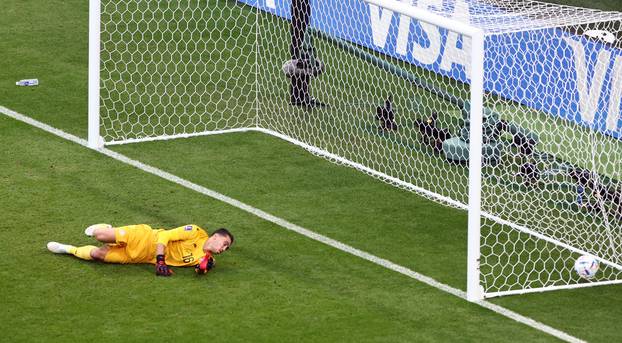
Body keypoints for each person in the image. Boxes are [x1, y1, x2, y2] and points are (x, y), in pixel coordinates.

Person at [47, 223, 234, 276]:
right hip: (144, 236)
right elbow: (165, 236)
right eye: (224, 243)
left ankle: (67, 249)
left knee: (98, 254)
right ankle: (104, 228)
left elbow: (203, 266)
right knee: (99, 236)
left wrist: (204, 269)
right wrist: (161, 260)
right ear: (215, 236)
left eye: (227, 248)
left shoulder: (206, 258)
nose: (224, 249)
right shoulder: (195, 232)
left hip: (141, 257)